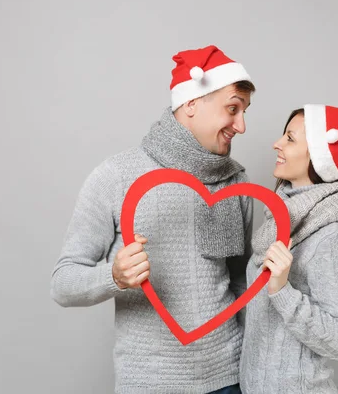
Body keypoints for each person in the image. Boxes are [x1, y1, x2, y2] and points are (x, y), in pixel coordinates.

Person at [51, 45, 255, 394]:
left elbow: (241, 281)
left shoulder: (236, 182)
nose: (242, 126)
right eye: (232, 109)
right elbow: (63, 283)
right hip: (151, 384)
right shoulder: (116, 175)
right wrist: (113, 276)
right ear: (192, 103)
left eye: (244, 112)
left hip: (230, 379)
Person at [239, 104, 338, 393]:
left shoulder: (331, 238)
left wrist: (282, 291)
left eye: (290, 139)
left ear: (317, 155)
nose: (277, 143)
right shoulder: (280, 221)